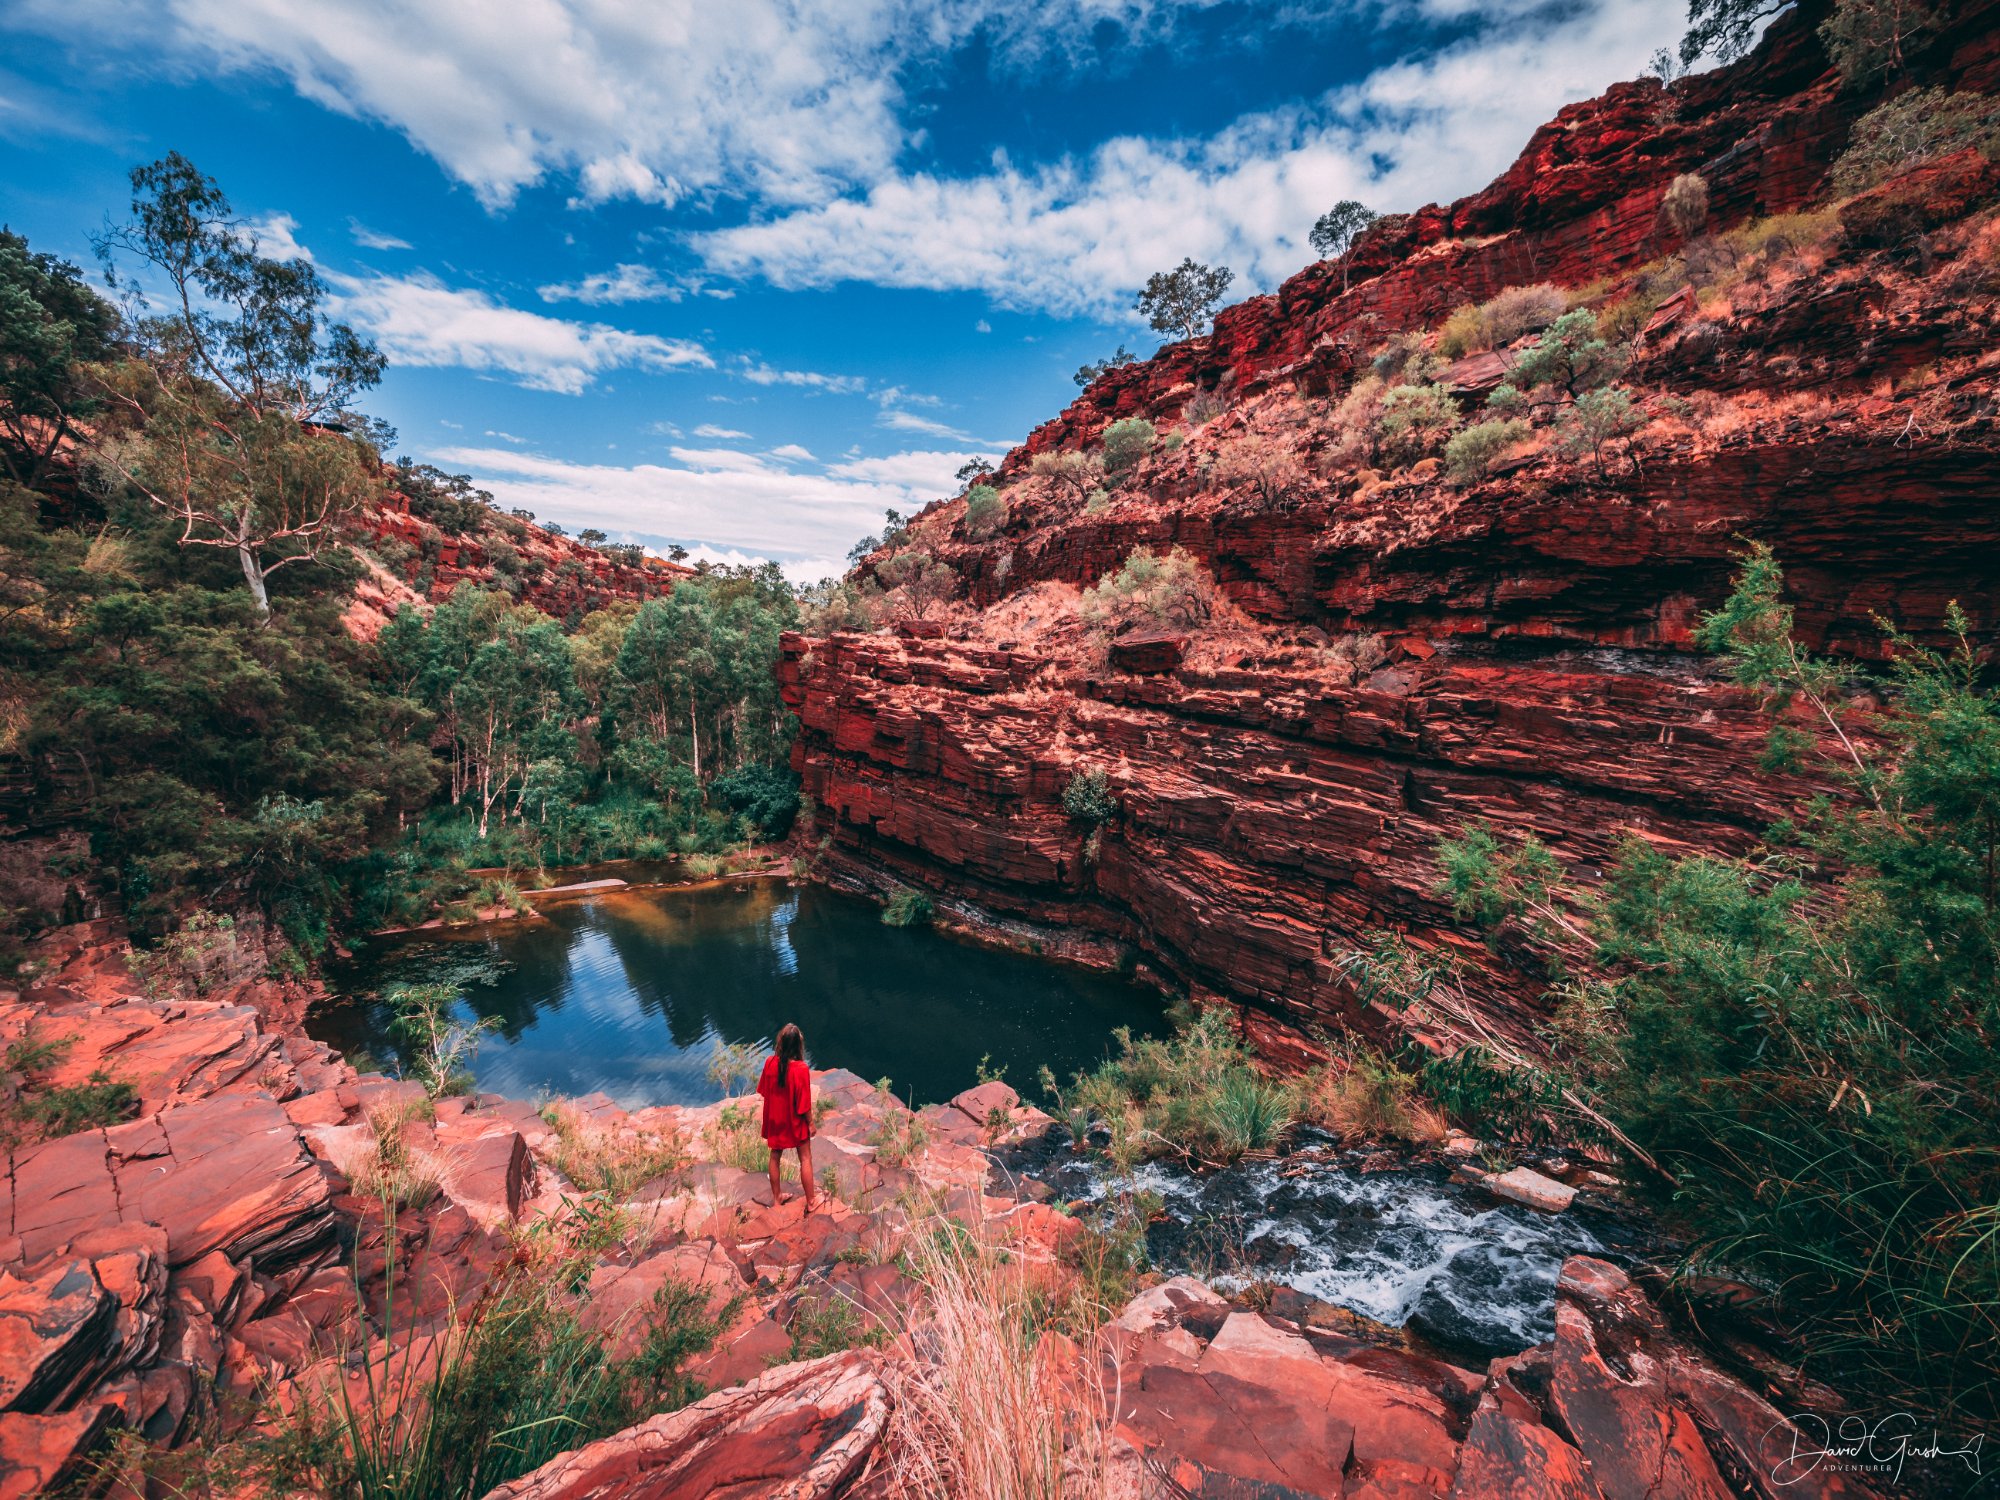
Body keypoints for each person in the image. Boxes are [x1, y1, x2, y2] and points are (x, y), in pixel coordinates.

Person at [756, 1023, 819, 1211]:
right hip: (795, 1121)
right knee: (805, 1158)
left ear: (781, 1043)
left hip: (776, 1119)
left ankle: (777, 1199)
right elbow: (804, 1104)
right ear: (798, 1046)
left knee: (775, 1156)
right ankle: (811, 1202)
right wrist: (811, 1123)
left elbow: (765, 1091)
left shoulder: (769, 1062)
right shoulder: (800, 1069)